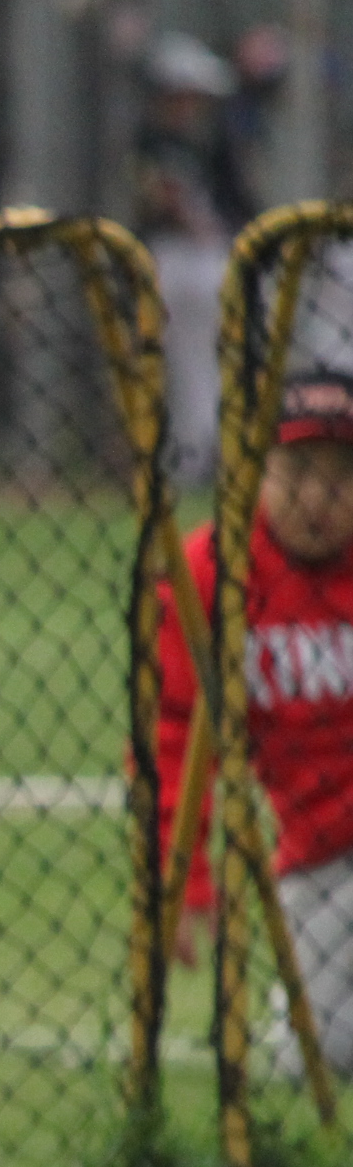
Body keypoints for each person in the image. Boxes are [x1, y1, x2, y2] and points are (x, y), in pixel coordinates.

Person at [153, 371, 353, 1085]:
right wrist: (183, 878)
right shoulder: (213, 572)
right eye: (296, 473)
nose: (317, 499)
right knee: (320, 1058)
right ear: (257, 473)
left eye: (342, 478)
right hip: (317, 851)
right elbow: (174, 732)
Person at [137, 31, 257, 487]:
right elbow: (162, 199)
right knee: (181, 362)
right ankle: (191, 459)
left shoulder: (205, 145)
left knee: (211, 360)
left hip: (208, 258)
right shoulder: (153, 141)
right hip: (174, 257)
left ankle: (207, 456)